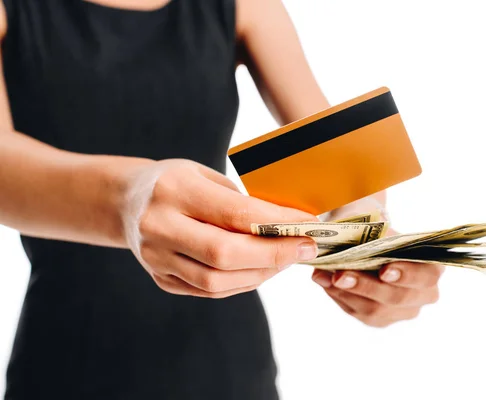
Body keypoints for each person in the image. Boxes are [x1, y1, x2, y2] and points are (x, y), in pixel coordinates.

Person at [0, 0, 443, 398]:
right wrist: (128, 198)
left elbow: (338, 165)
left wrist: (368, 240)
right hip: (65, 365)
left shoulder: (245, 5)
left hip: (227, 366)